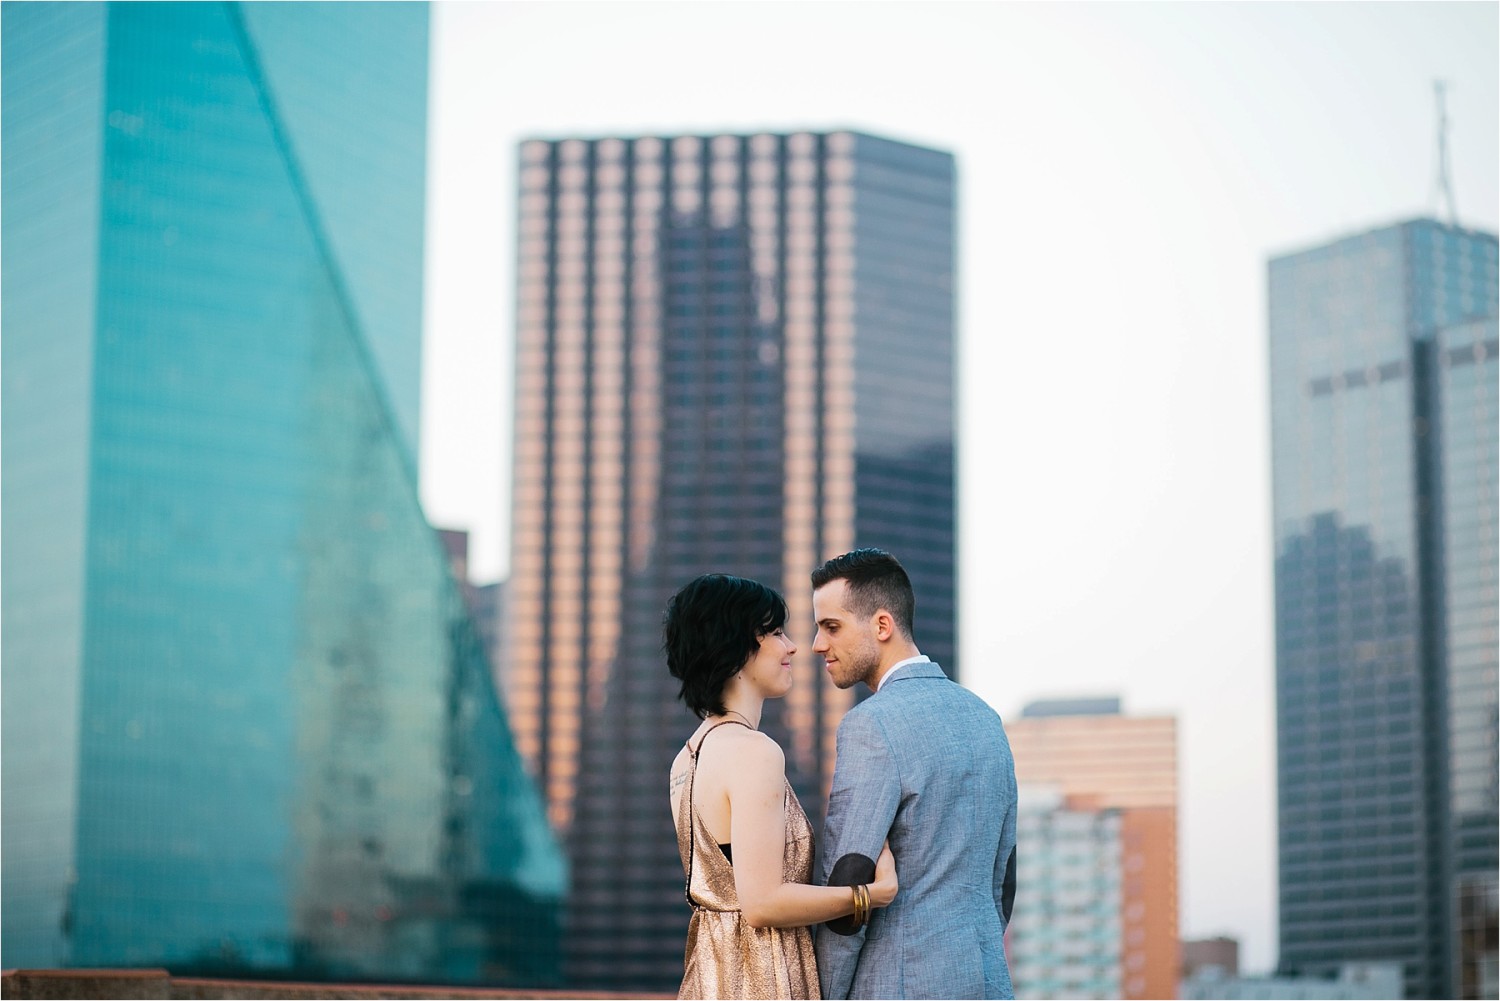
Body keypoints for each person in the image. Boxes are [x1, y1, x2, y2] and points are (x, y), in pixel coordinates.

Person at [665, 573, 899, 1000]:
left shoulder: (688, 757)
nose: (791, 645)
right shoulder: (754, 752)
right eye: (773, 632)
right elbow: (763, 903)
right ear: (734, 648)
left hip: (710, 975)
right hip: (763, 976)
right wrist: (868, 896)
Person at [811, 549, 1018, 1000]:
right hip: (987, 980)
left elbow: (851, 878)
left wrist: (825, 992)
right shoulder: (986, 720)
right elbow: (1003, 879)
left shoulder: (872, 724)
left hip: (899, 983)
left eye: (831, 627)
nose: (817, 645)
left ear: (882, 626)